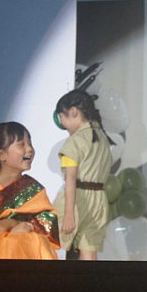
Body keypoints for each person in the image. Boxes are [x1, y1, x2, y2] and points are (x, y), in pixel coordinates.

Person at [0, 122, 60, 259]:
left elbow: (48, 222)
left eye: (30, 143)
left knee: (35, 241)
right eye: (21, 145)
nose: (29, 149)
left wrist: (14, 223)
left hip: (26, 251)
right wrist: (9, 235)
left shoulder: (34, 188)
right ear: (1, 155)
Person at [53, 89, 114, 260]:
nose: (62, 123)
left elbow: (71, 178)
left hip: (76, 200)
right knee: (89, 252)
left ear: (73, 112)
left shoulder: (75, 141)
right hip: (99, 201)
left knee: (53, 246)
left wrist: (69, 213)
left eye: (62, 117)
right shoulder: (102, 138)